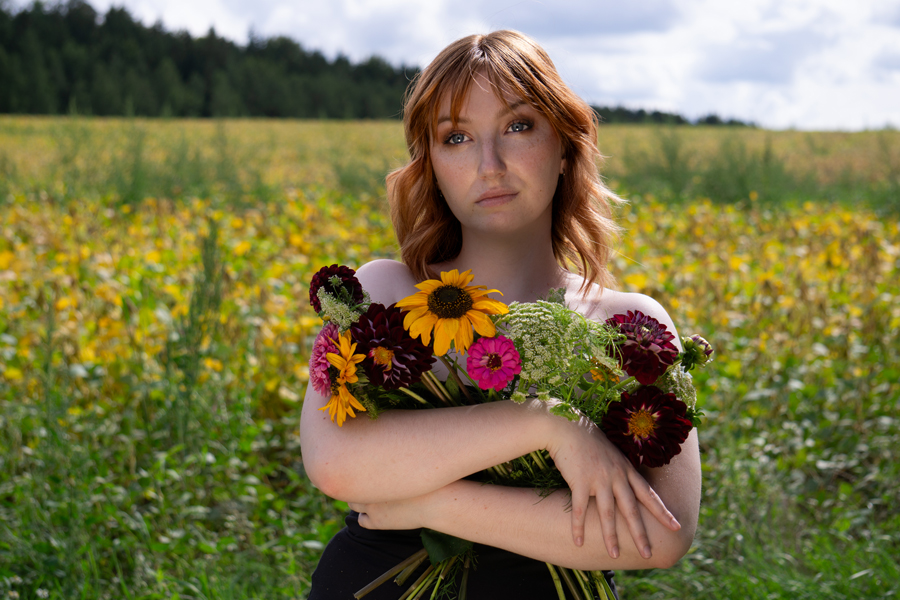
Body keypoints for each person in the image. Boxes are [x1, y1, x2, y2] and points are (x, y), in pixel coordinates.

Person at [300, 30, 701, 599]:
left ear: (564, 145)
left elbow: (659, 536)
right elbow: (336, 463)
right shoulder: (380, 291)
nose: (489, 164)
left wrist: (424, 501)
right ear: (432, 163)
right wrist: (549, 422)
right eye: (457, 137)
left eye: (517, 126)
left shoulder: (631, 329)